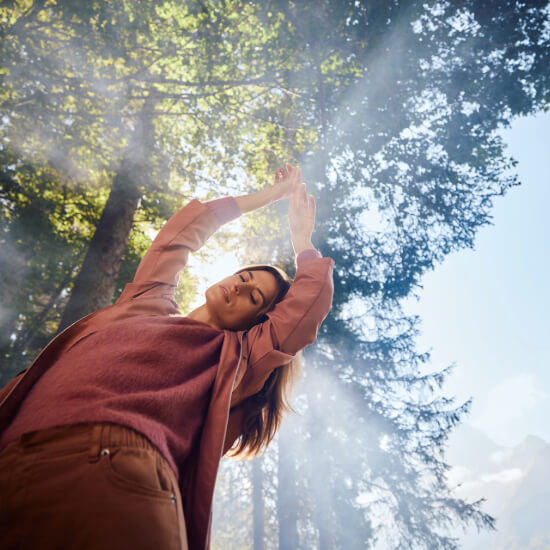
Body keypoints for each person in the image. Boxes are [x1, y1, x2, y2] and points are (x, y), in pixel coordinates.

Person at [0, 164, 334, 550]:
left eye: (254, 297)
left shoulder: (234, 357)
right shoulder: (146, 304)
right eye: (244, 276)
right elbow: (181, 234)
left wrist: (301, 240)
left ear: (254, 324)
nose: (241, 286)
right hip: (13, 455)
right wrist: (264, 198)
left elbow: (306, 307)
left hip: (118, 476)